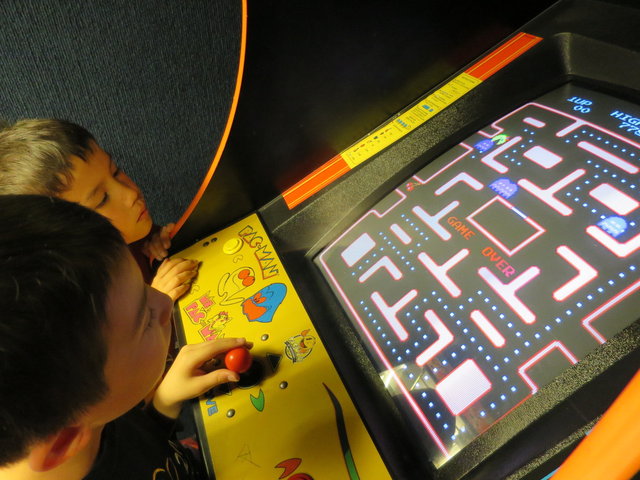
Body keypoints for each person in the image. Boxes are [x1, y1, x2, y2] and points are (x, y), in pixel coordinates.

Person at [0, 195, 247, 479]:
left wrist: (162, 405)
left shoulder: (79, 411)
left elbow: (136, 443)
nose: (165, 302)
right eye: (146, 319)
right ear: (64, 443)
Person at [0, 118, 197, 301]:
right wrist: (155, 302)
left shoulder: (129, 236)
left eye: (116, 172)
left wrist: (155, 246)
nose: (130, 194)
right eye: (102, 199)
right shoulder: (75, 298)